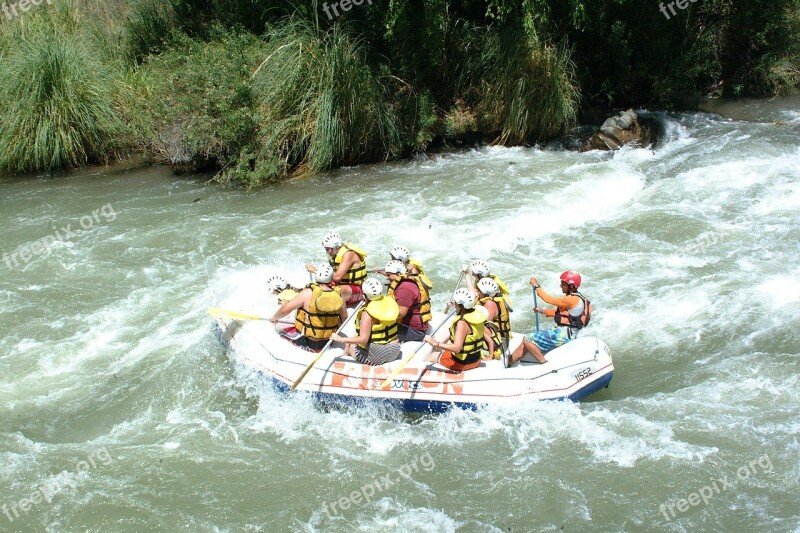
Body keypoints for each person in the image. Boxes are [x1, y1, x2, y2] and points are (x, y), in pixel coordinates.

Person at [507, 271, 591, 367]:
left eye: (563, 284)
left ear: (571, 286)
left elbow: (548, 299)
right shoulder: (578, 298)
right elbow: (562, 315)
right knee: (525, 344)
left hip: (563, 335)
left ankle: (544, 364)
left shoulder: (572, 299)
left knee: (527, 339)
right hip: (567, 333)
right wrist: (542, 311)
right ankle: (509, 363)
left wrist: (536, 285)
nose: (560, 286)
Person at [270, 264, 347, 352]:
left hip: (309, 342)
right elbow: (344, 317)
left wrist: (274, 318)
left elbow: (285, 310)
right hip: (328, 341)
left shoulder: (308, 293)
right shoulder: (339, 294)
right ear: (331, 277)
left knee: (278, 326)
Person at [331, 278, 401, 366]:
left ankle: (344, 361)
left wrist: (340, 339)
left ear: (365, 295)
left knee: (349, 345)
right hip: (395, 349)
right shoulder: (390, 302)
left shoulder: (367, 314)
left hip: (379, 355)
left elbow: (363, 340)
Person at [424, 288, 486, 371]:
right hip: (476, 360)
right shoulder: (476, 314)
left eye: (455, 302)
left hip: (462, 363)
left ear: (461, 305)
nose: (454, 303)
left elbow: (457, 348)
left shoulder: (462, 323)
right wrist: (455, 305)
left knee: (432, 356)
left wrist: (435, 343)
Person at [306, 232, 368, 307]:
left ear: (336, 247)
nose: (327, 252)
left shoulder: (349, 254)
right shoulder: (335, 254)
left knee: (334, 291)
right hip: (344, 285)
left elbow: (337, 277)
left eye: (328, 249)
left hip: (359, 289)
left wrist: (316, 270)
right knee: (316, 288)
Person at [384, 260, 432, 342]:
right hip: (416, 327)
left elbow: (401, 313)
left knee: (377, 330)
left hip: (413, 330)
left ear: (399, 274)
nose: (386, 278)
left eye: (388, 275)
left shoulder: (405, 288)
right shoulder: (409, 281)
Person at [476, 277, 512, 361]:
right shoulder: (497, 298)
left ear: (486, 293)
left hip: (499, 341)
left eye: (479, 291)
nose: (477, 292)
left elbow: (487, 327)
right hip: (500, 336)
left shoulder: (490, 304)